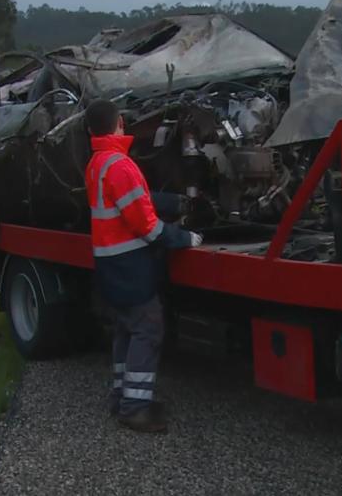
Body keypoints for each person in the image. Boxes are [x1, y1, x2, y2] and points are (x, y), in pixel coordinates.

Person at [84, 98, 203, 434]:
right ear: (120, 123)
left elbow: (135, 199)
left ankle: (122, 396)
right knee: (148, 330)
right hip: (131, 268)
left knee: (126, 329)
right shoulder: (121, 165)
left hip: (110, 266)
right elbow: (147, 226)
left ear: (91, 130)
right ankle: (135, 408)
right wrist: (184, 238)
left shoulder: (98, 163)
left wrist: (176, 202)